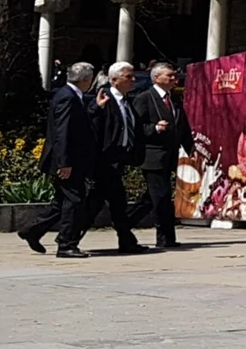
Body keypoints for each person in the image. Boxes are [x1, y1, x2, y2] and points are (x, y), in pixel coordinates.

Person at [17, 62, 101, 259]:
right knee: (75, 201)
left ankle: (33, 230)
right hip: (67, 162)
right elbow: (61, 133)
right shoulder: (67, 97)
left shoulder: (72, 96)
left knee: (62, 201)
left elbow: (77, 124)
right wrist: (64, 163)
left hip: (71, 160)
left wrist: (96, 107)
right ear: (86, 80)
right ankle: (66, 244)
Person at [129, 61, 193, 250]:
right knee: (162, 197)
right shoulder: (145, 98)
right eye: (170, 75)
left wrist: (191, 149)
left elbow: (183, 127)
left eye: (175, 75)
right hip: (152, 157)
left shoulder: (174, 100)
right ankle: (165, 237)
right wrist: (154, 128)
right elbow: (135, 127)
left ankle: (124, 222)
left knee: (151, 198)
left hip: (169, 156)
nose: (174, 79)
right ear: (157, 78)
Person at [87, 61, 146, 254]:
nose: (133, 80)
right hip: (104, 160)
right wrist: (97, 109)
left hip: (118, 159)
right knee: (107, 203)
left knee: (112, 203)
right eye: (128, 77)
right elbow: (92, 126)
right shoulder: (103, 98)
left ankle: (126, 240)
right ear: (114, 80)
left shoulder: (127, 100)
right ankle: (66, 239)